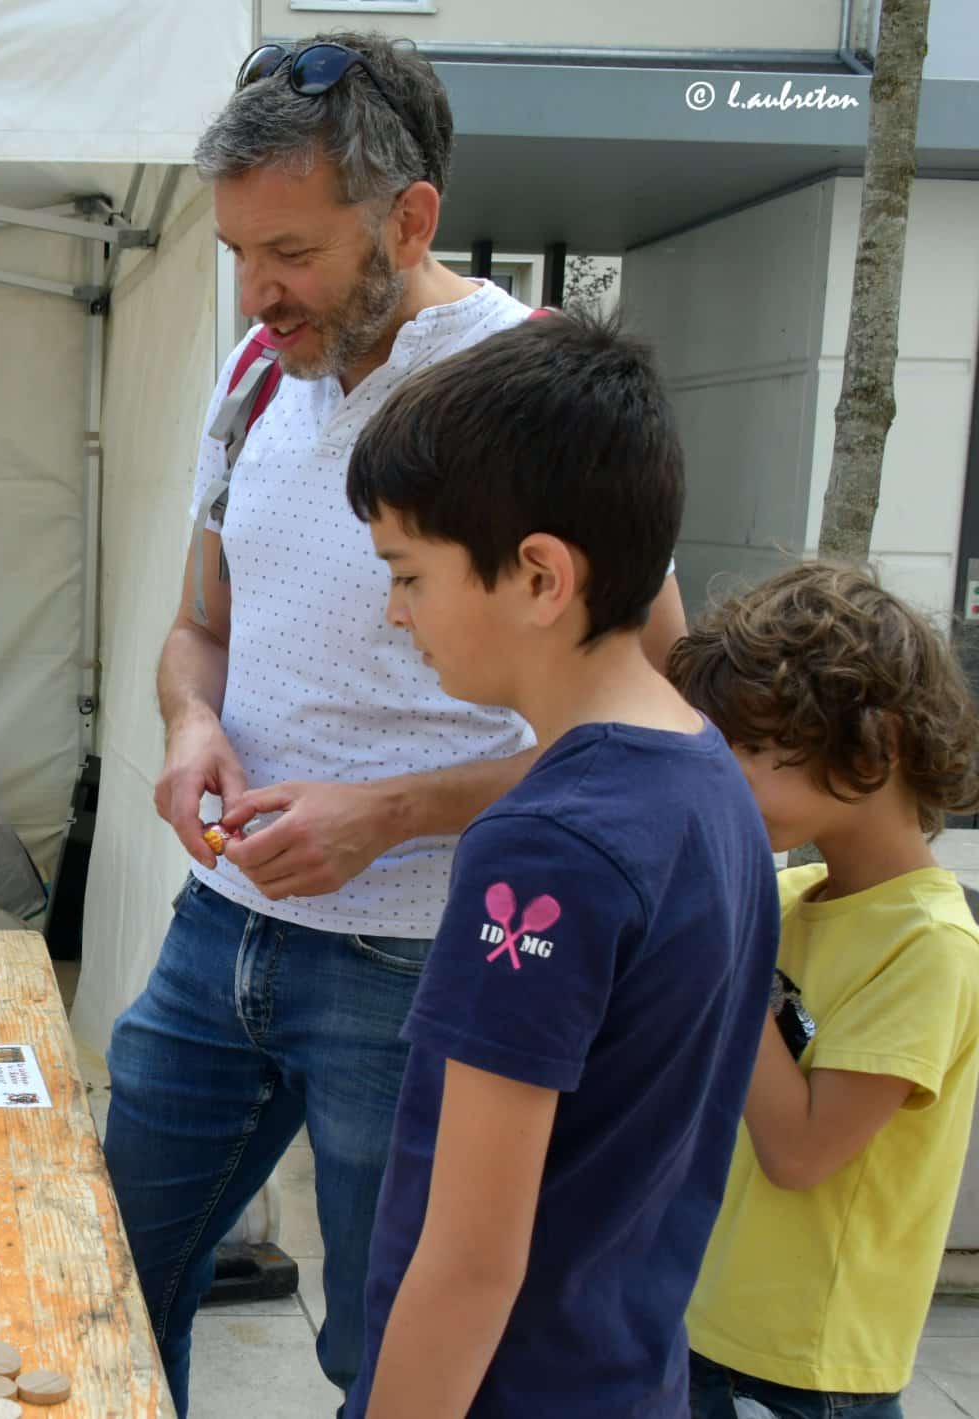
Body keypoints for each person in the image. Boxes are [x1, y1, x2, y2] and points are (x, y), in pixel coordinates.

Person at [103, 32, 690, 1411]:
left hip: (423, 956)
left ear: (410, 218)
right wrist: (191, 730)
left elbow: (655, 720)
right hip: (221, 925)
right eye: (237, 252)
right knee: (107, 1277)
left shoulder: (534, 388)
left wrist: (395, 811)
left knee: (392, 1350)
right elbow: (197, 631)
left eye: (290, 252)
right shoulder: (252, 376)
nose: (257, 293)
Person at [342, 311, 778, 1418]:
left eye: (408, 574)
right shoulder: (706, 773)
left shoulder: (543, 848)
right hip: (628, 1375)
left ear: (539, 576)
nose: (394, 613)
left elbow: (470, 1260)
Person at [670, 564, 979, 1419]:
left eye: (753, 747)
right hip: (704, 1327)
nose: (726, 775)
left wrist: (726, 935)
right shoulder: (787, 897)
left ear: (876, 745)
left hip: (807, 1371)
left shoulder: (930, 944)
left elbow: (801, 1152)